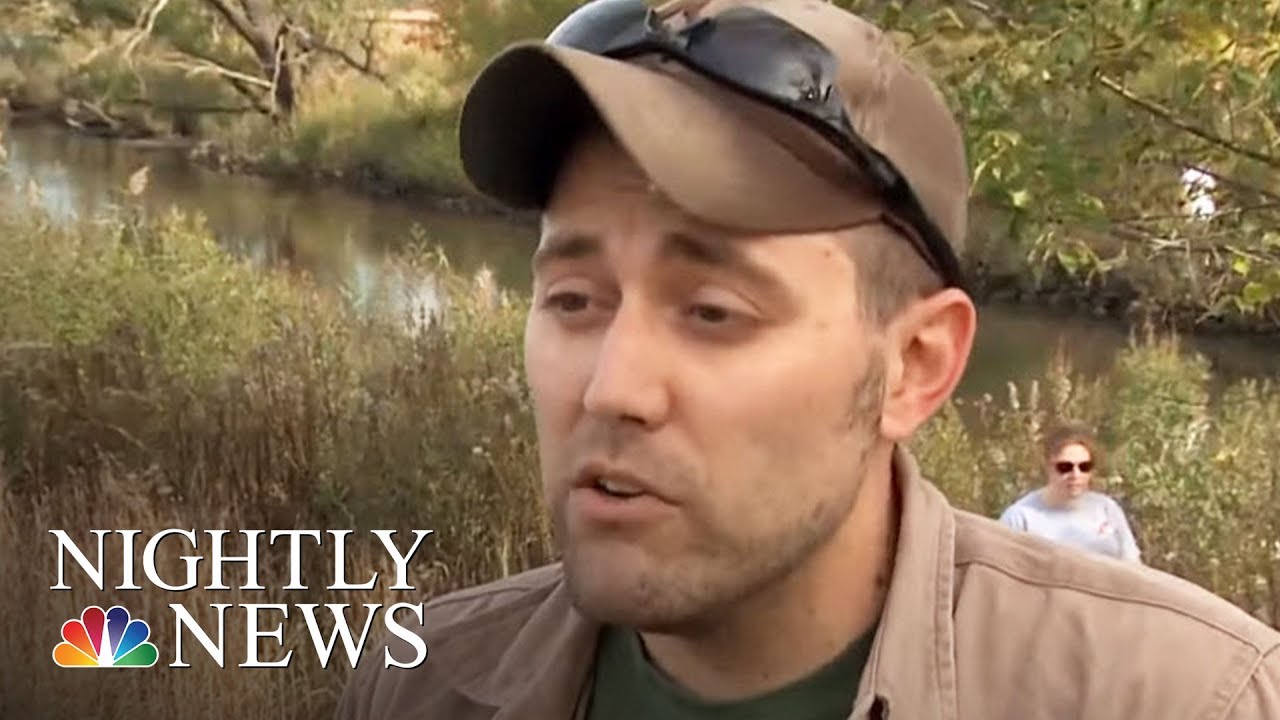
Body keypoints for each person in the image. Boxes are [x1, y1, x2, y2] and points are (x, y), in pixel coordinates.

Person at [337, 1, 1280, 718]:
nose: (611, 387)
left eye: (713, 311)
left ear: (915, 367)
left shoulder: (1187, 698)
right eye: (574, 302)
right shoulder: (422, 681)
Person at [999, 421, 1143, 563]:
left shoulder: (1106, 509)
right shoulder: (1020, 518)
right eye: (1065, 467)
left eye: (1084, 466)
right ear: (1048, 466)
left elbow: (1133, 566)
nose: (1075, 475)